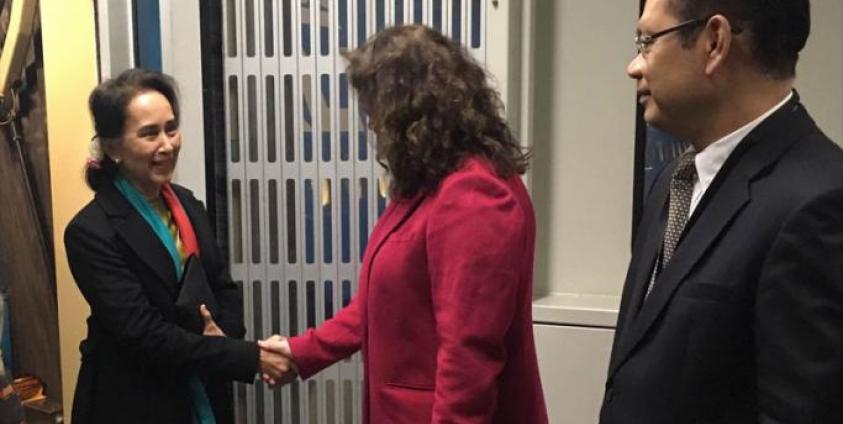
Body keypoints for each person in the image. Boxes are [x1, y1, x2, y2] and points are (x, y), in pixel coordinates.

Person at [257, 24, 548, 423]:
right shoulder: (429, 183)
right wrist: (303, 350)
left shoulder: (474, 193)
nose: (372, 124)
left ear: (408, 108)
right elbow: (382, 300)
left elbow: (468, 358)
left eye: (374, 108)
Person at [601, 0, 843, 423]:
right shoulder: (673, 181)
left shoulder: (819, 201)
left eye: (647, 41)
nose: (634, 66)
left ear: (715, 42)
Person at [64, 68, 293, 424]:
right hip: (132, 402)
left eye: (171, 129)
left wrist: (226, 331)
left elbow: (222, 286)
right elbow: (144, 334)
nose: (167, 145)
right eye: (149, 134)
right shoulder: (90, 231)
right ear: (112, 147)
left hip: (201, 388)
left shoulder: (187, 204)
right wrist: (242, 355)